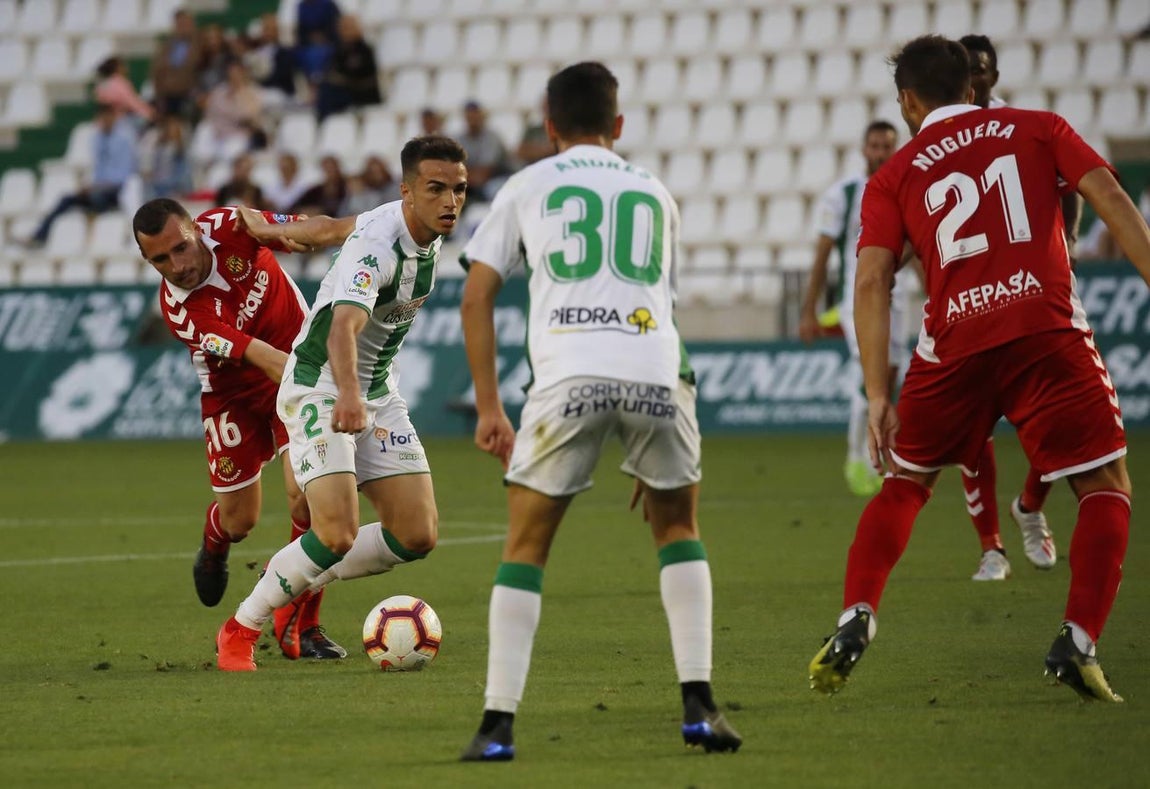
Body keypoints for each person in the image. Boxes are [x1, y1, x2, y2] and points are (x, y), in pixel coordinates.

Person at [808, 35, 1150, 704]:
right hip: (1043, 329)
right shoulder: (1038, 127)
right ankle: (1076, 641)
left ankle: (856, 615)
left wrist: (879, 392)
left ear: (907, 100)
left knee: (904, 485)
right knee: (1106, 484)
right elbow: (1107, 191)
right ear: (971, 86)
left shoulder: (895, 174)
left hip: (953, 342)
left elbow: (872, 277)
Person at [456, 61, 742, 761]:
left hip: (568, 378)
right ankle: (701, 705)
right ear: (618, 126)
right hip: (657, 373)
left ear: (549, 126)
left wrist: (489, 406)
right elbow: (667, 309)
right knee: (679, 527)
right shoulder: (656, 192)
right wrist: (662, 427)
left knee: (527, 546)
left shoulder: (527, 184)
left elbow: (477, 295)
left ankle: (497, 725)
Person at [214, 135, 469, 671]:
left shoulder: (414, 225)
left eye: (459, 190)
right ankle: (240, 628)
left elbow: (330, 228)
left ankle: (288, 573)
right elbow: (343, 329)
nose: (450, 202)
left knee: (416, 535)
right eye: (437, 189)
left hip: (376, 390)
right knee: (333, 532)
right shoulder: (379, 247)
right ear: (408, 192)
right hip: (324, 387)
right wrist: (349, 397)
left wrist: (273, 230)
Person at [131, 197, 347, 662]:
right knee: (240, 521)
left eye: (181, 248)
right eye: (160, 260)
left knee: (308, 495)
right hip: (235, 393)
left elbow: (309, 230)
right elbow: (264, 360)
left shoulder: (234, 226)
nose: (177, 266)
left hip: (297, 372)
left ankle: (301, 622)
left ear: (197, 230)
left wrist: (286, 230)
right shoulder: (183, 310)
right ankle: (214, 544)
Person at [951, 33, 1079, 581]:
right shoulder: (940, 134)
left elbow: (1069, 184)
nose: (975, 78)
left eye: (982, 69)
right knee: (972, 428)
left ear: (995, 76)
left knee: (1054, 422)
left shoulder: (1021, 127)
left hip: (1032, 293)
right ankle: (991, 548)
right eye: (966, 70)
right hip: (970, 300)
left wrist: (1065, 247)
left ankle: (1029, 506)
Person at [798, 120, 912, 498]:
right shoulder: (844, 195)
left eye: (887, 146)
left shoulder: (905, 188)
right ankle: (857, 461)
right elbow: (823, 254)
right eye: (875, 146)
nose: (880, 153)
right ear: (864, 149)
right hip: (857, 301)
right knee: (870, 379)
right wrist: (809, 310)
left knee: (889, 378)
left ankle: (881, 453)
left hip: (897, 299)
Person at [28, 104, 136, 246]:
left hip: (115, 192)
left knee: (95, 198)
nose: (104, 120)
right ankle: (39, 236)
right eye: (102, 117)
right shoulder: (97, 138)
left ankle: (104, 240)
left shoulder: (123, 140)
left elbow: (122, 177)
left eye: (107, 116)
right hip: (98, 190)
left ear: (114, 117)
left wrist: (94, 187)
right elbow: (98, 171)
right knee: (66, 199)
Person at [315, 14, 382, 122]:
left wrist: (341, 78)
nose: (345, 31)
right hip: (345, 91)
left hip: (361, 93)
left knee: (328, 92)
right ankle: (323, 124)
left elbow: (361, 74)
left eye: (348, 27)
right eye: (343, 28)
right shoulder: (339, 49)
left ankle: (321, 123)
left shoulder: (364, 49)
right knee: (325, 90)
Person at [150, 8, 202, 119]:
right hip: (168, 94)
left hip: (189, 92)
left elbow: (196, 63)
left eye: (185, 23)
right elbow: (157, 70)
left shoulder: (199, 43)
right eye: (179, 23)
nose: (182, 27)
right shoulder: (167, 46)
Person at [457, 99, 512, 200]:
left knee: (493, 190)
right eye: (469, 116)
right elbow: (455, 169)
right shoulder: (460, 138)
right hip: (473, 183)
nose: (473, 119)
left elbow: (484, 173)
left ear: (482, 116)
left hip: (500, 178)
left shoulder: (491, 137)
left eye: (475, 115)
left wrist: (462, 177)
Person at [139, 114, 193, 200]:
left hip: (173, 184)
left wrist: (177, 184)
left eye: (174, 129)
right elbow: (153, 166)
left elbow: (183, 172)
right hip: (158, 183)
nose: (172, 131)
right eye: (170, 128)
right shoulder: (159, 147)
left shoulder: (180, 150)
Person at [94, 56, 155, 127]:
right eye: (123, 65)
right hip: (120, 122)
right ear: (117, 68)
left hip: (103, 123)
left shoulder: (101, 85)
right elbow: (133, 103)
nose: (126, 68)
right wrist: (150, 114)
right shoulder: (120, 83)